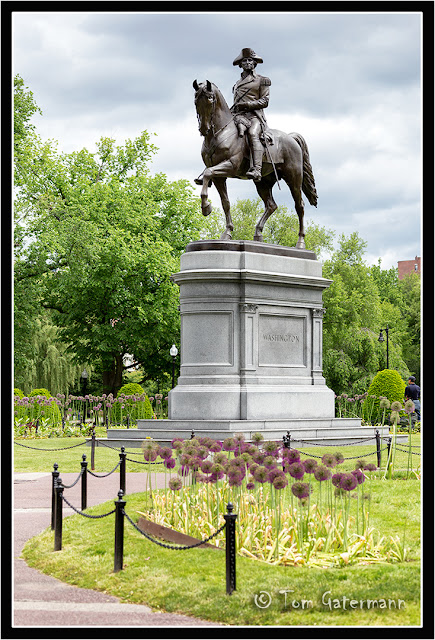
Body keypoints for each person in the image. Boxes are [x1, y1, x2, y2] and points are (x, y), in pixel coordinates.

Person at [230, 47, 271, 182]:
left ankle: (257, 169)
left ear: (254, 63)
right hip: (238, 116)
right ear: (240, 64)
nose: (247, 63)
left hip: (254, 116)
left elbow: (265, 101)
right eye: (245, 60)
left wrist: (247, 105)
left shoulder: (262, 80)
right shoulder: (236, 84)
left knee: (253, 133)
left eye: (250, 60)